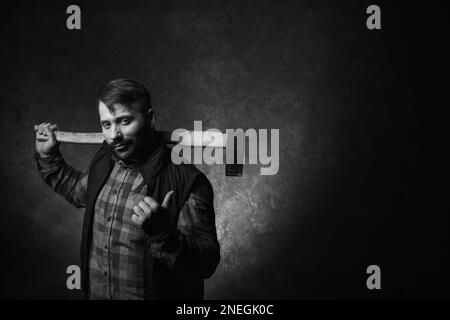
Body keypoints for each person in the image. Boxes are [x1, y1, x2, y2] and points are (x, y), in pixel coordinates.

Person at [34, 79, 220, 300]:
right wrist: (48, 157)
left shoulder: (186, 182)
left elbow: (206, 264)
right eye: (107, 125)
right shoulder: (105, 160)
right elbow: (77, 191)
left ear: (150, 118)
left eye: (124, 121)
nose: (114, 135)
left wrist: (164, 234)